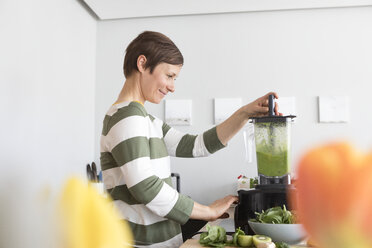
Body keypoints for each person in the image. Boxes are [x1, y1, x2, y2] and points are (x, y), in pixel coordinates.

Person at [100, 31, 280, 247]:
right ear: (142, 63)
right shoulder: (127, 117)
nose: (172, 86)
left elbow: (196, 145)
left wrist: (244, 113)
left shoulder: (145, 120)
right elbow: (145, 187)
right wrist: (207, 211)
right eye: (169, 75)